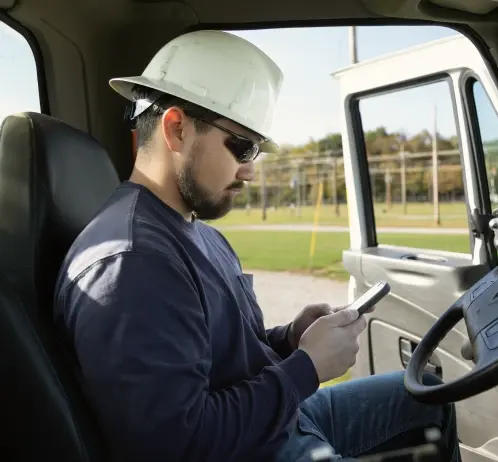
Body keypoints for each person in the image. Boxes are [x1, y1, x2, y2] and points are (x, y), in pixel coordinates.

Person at [53, 30, 461, 462]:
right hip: (257, 447)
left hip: (281, 422)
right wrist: (306, 367)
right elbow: (176, 446)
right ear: (176, 129)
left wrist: (289, 339)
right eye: (242, 147)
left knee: (427, 396)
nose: (249, 171)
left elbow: (215, 358)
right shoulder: (132, 263)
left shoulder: (196, 232)